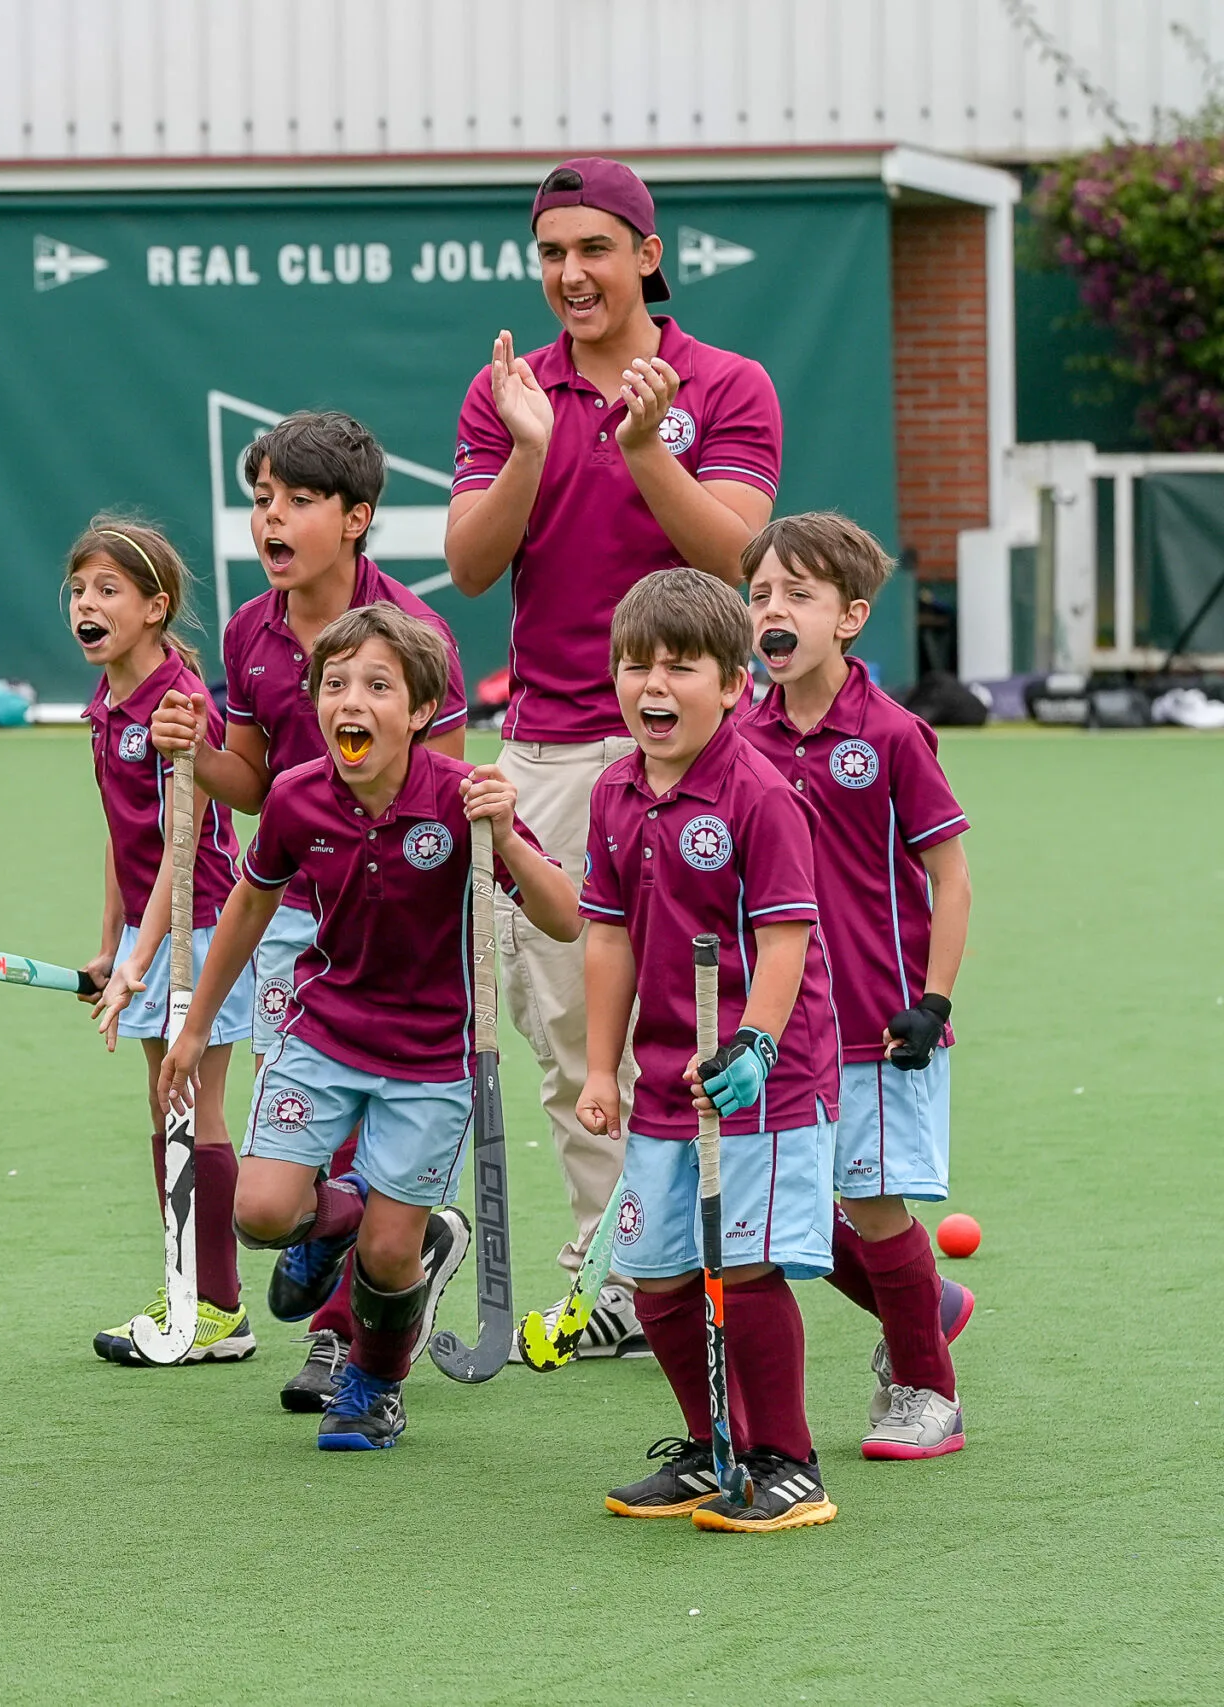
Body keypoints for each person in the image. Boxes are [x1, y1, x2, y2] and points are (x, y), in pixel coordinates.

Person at [446, 156, 782, 1351]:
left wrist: (644, 447)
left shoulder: (726, 384)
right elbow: (471, 567)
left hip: (704, 754)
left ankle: (749, 1261)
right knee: (569, 1037)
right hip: (546, 751)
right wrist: (529, 450)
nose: (571, 274)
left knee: (714, 1020)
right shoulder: (506, 391)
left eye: (594, 248)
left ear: (646, 254)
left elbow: (735, 560)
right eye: (551, 253)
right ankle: (625, 1279)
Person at [159, 605, 577, 1448]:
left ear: (420, 711)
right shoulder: (295, 796)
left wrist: (506, 836)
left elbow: (564, 916)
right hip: (324, 1036)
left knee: (390, 1258)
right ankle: (340, 1216)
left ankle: (375, 1383)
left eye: (378, 686)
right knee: (260, 1211)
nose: (352, 701)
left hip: (433, 1058)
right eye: (336, 684)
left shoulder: (461, 802)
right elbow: (250, 905)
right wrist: (196, 1027)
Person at [150, 410, 472, 1409]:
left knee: (371, 1143)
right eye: (261, 501)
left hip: (399, 919)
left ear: (356, 517)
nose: (272, 519)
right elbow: (251, 784)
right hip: (294, 906)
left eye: (297, 501)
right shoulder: (249, 629)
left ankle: (343, 1339)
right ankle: (370, 1232)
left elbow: (444, 802)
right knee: (302, 1142)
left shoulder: (414, 636)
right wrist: (194, 750)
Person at [578, 569, 840, 1534]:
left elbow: (786, 938)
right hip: (662, 1079)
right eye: (635, 665)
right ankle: (712, 1443)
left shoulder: (761, 796)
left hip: (765, 1078)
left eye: (680, 667)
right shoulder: (612, 791)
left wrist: (756, 1044)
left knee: (752, 1264)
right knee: (656, 1272)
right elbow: (607, 936)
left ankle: (789, 1460)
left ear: (734, 684)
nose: (653, 685)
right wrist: (600, 1066)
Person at [734, 514, 977, 1460]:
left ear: (850, 617)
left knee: (874, 1206)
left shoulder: (893, 733)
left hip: (878, 1023)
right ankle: (923, 1301)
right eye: (761, 594)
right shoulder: (737, 736)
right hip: (779, 1028)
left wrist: (935, 999)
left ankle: (928, 1389)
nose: (775, 610)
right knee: (787, 1210)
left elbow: (951, 877)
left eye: (799, 594)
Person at [67, 519, 255, 1367]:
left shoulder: (179, 706)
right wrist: (109, 946)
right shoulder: (105, 704)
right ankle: (187, 1286)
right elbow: (122, 835)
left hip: (202, 926)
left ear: (155, 606)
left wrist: (141, 959)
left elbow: (182, 846)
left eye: (108, 589)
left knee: (194, 1104)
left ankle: (219, 1306)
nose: (87, 602)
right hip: (152, 930)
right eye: (79, 588)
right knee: (164, 1103)